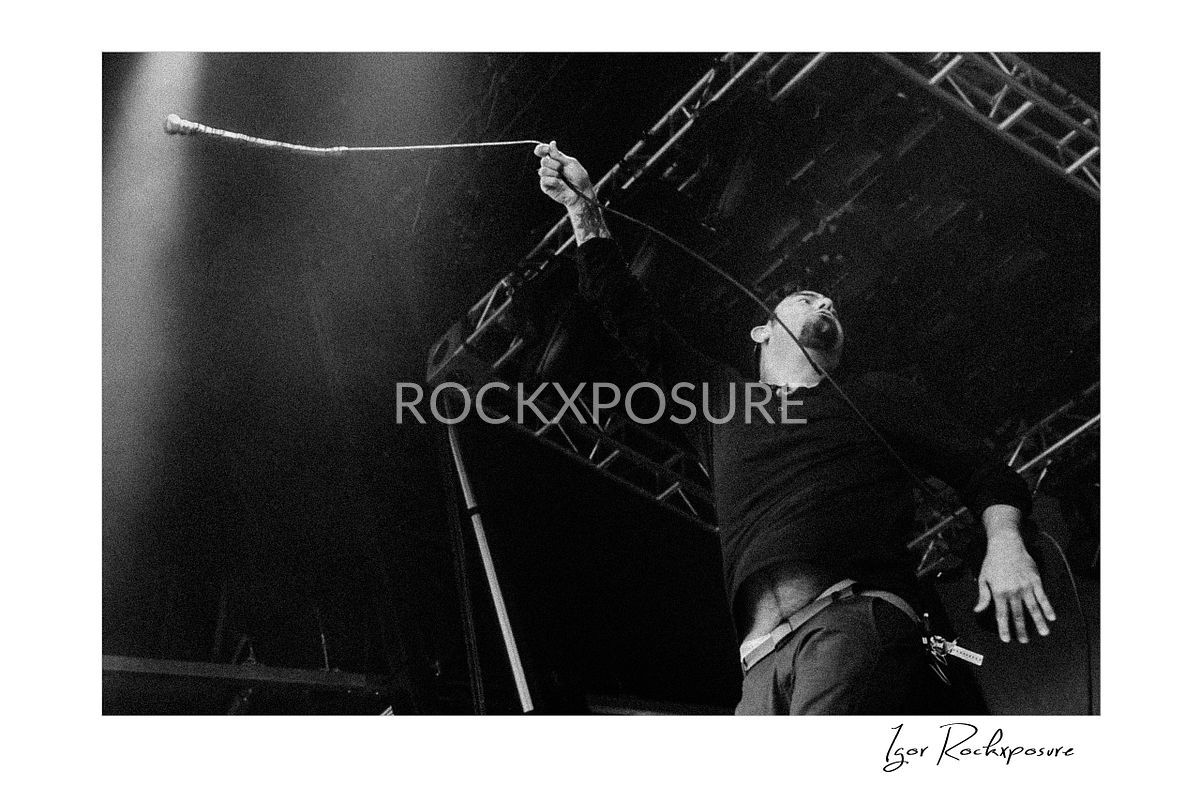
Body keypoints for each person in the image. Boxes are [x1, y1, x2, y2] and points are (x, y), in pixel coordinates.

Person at [533, 141, 1056, 715]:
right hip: (759, 662)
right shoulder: (721, 401)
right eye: (808, 297)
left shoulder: (879, 398)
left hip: (851, 621)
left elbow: (983, 473)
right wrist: (582, 210)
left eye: (830, 302)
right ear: (761, 331)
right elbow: (627, 312)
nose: (826, 300)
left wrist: (1005, 545)